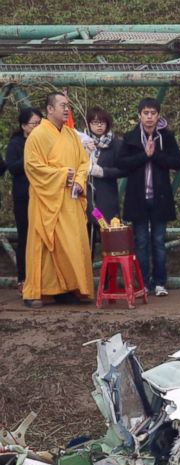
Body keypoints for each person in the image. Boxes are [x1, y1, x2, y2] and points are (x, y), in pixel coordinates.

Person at [21, 92, 92, 308]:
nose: (66, 109)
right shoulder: (38, 135)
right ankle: (39, 291)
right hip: (47, 199)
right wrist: (62, 175)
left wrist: (79, 180)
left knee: (73, 244)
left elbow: (83, 162)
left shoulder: (71, 135)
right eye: (62, 105)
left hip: (70, 200)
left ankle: (69, 288)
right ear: (50, 109)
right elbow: (32, 167)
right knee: (45, 244)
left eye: (68, 105)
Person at [119, 98, 180, 296]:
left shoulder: (166, 137)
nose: (149, 117)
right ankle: (143, 282)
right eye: (145, 113)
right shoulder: (130, 138)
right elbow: (122, 163)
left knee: (159, 241)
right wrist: (143, 156)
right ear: (139, 115)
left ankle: (160, 282)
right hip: (138, 198)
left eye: (153, 113)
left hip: (160, 197)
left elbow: (177, 162)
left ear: (158, 115)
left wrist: (154, 155)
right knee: (142, 242)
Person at [5, 107, 42, 294]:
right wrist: (30, 159)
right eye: (33, 124)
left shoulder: (45, 140)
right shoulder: (16, 143)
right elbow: (11, 167)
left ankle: (43, 279)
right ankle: (23, 278)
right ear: (23, 126)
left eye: (39, 123)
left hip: (43, 196)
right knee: (25, 237)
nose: (37, 127)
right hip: (23, 197)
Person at [83, 107, 125, 248]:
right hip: (85, 199)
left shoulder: (116, 144)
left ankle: (108, 270)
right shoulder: (81, 142)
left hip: (106, 200)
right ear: (88, 124)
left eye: (102, 122)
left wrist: (103, 171)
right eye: (95, 122)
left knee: (108, 239)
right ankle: (85, 269)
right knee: (85, 241)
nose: (99, 125)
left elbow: (123, 170)